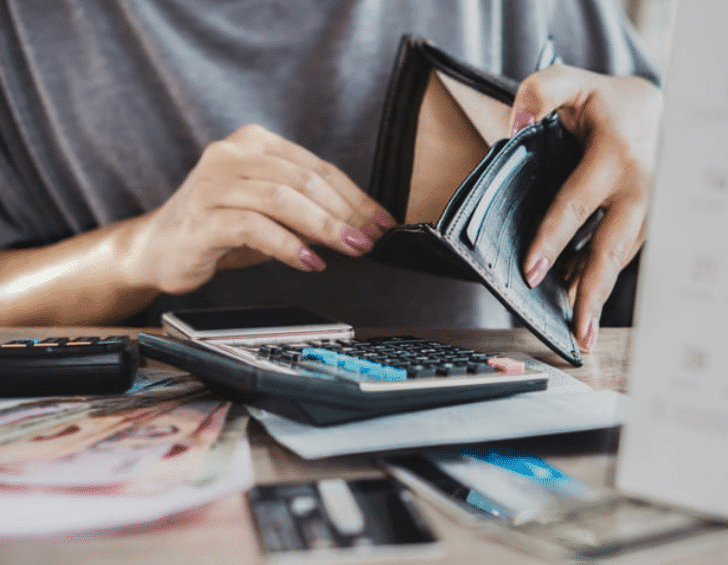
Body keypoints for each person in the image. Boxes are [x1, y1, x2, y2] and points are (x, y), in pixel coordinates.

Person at [0, 0, 661, 352]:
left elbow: (663, 144)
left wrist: (660, 124)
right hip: (156, 484)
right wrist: (134, 254)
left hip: (495, 451)